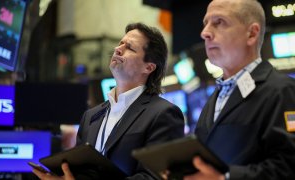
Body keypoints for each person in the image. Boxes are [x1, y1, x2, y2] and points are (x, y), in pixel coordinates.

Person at [32, 22, 185, 180]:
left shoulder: (163, 113)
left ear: (149, 67)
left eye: (130, 48)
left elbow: (154, 177)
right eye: (120, 44)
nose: (118, 49)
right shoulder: (90, 116)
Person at [179, 0, 295, 179]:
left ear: (252, 34)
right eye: (206, 24)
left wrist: (224, 178)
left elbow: (288, 167)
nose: (205, 33)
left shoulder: (282, 91)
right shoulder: (214, 99)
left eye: (219, 22)